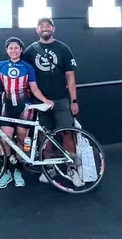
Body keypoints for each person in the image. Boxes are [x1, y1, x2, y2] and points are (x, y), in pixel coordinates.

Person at [0, 37, 54, 189]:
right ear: (6, 50)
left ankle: (18, 172)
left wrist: (45, 100)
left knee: (21, 140)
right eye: (10, 48)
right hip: (7, 107)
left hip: (25, 107)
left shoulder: (28, 67)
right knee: (5, 139)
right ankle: (7, 172)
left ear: (21, 50)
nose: (13, 50)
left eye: (16, 48)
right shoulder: (1, 65)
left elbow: (34, 88)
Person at [22, 17, 85, 187]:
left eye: (48, 26)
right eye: (41, 26)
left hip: (61, 99)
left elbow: (70, 77)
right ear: (37, 30)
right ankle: (48, 168)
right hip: (40, 101)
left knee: (67, 133)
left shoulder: (63, 49)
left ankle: (72, 169)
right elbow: (24, 75)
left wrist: (73, 101)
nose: (45, 28)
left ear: (53, 29)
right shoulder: (30, 51)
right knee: (44, 135)